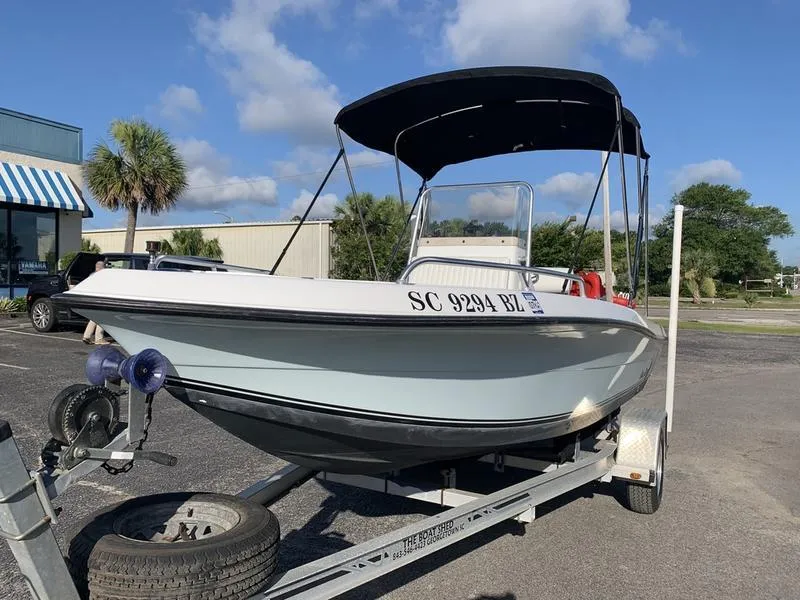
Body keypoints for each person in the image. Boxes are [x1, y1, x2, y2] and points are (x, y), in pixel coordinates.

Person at [82, 260, 110, 345]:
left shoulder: (91, 275)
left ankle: (87, 336)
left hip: (90, 299)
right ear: (103, 268)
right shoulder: (103, 276)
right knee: (102, 318)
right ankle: (99, 338)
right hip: (100, 299)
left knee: (94, 318)